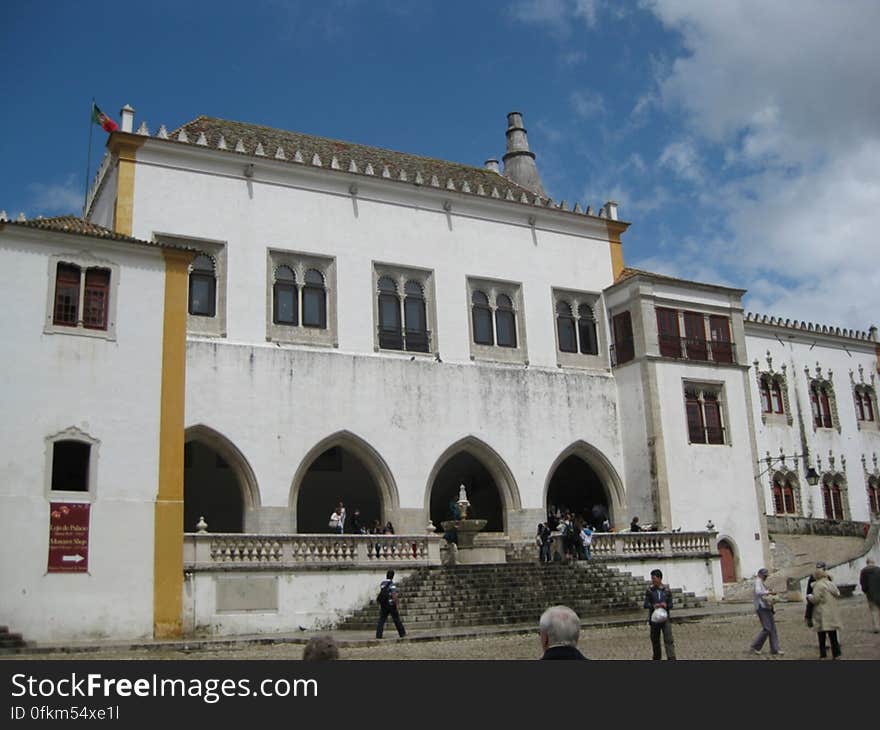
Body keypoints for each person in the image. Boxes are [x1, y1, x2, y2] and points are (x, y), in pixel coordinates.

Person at [807, 567, 842, 659]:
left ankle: (823, 654)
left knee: (821, 635)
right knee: (833, 634)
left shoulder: (818, 585)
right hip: (831, 611)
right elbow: (837, 593)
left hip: (821, 612)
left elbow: (816, 599)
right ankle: (837, 653)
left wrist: (810, 597)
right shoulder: (830, 584)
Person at [750, 568, 783, 656]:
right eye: (765, 575)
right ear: (760, 574)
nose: (766, 577)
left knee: (772, 628)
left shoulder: (761, 582)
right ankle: (755, 646)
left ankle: (775, 649)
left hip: (766, 607)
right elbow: (758, 592)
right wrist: (768, 592)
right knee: (767, 628)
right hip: (761, 607)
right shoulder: (758, 581)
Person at [644, 569, 675, 660]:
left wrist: (666, 605)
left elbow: (671, 605)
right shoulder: (650, 591)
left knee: (668, 639)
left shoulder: (667, 591)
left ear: (660, 578)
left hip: (665, 618)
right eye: (652, 578)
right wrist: (653, 605)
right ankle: (657, 657)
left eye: (654, 578)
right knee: (655, 640)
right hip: (654, 619)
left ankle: (671, 657)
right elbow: (645, 604)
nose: (653, 580)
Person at [375, 569, 406, 639]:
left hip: (384, 604)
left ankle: (378, 634)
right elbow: (394, 595)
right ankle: (402, 633)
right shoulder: (392, 584)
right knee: (396, 619)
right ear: (392, 576)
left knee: (382, 620)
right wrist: (397, 603)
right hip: (391, 604)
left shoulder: (382, 583)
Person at [859, 558, 880, 633]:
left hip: (870, 594)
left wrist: (866, 591)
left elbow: (862, 583)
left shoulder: (863, 571)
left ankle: (876, 627)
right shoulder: (878, 570)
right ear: (873, 562)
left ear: (867, 563)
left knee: (874, 611)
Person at [804, 560, 826, 628]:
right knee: (810, 605)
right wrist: (809, 595)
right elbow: (809, 588)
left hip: (822, 595)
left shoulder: (826, 576)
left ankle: (809, 618)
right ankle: (808, 618)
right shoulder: (813, 577)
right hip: (814, 594)